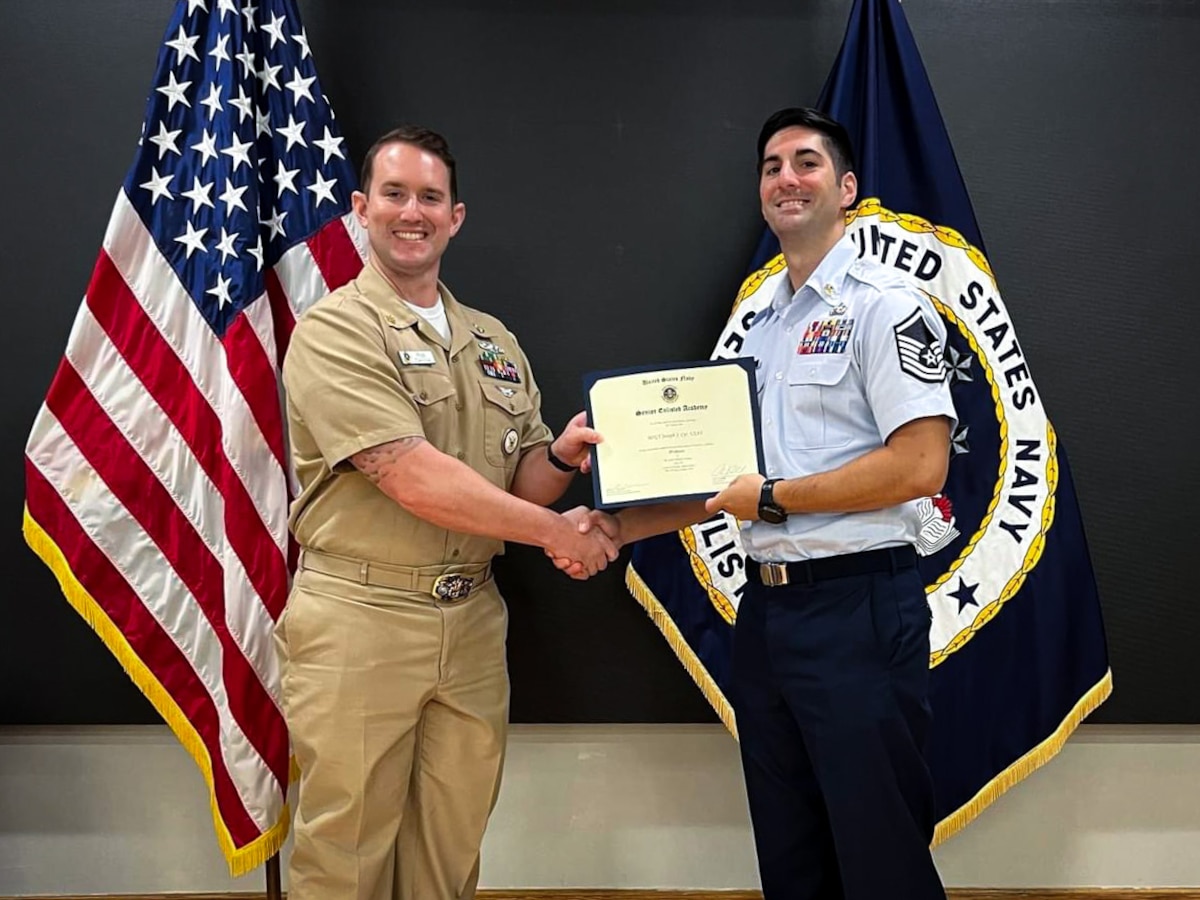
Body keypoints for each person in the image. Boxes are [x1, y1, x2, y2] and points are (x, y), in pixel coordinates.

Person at [559, 108, 955, 900]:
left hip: (858, 610)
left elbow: (920, 464)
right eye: (772, 166)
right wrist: (618, 523)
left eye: (806, 163)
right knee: (791, 853)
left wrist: (770, 498)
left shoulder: (885, 304)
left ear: (847, 188)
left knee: (880, 856)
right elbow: (721, 479)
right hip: (768, 619)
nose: (785, 178)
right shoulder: (760, 326)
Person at [277, 124, 616, 900]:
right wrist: (558, 535)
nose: (412, 212)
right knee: (344, 856)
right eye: (393, 194)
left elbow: (522, 481)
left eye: (431, 197)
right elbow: (409, 476)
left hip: (470, 624)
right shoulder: (335, 330)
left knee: (451, 851)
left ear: (455, 216)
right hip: (362, 618)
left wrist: (560, 459)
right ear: (361, 209)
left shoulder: (493, 341)